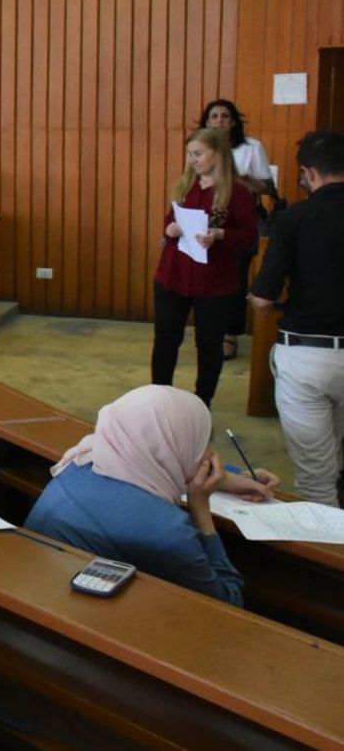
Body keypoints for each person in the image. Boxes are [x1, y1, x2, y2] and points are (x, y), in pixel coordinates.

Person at [26, 385, 278, 604]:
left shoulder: (82, 460)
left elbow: (160, 462)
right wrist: (200, 507)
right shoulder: (167, 531)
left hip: (37, 594)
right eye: (201, 444)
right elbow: (228, 601)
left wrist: (226, 477)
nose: (210, 453)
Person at [250, 130, 344, 507]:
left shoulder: (294, 218)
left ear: (309, 173)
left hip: (307, 355)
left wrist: (277, 310)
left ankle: (328, 557)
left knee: (317, 479)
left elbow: (261, 298)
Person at [151, 127, 257, 407]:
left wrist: (219, 235)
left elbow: (249, 237)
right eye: (189, 154)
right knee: (165, 339)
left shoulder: (238, 193)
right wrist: (171, 228)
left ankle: (202, 403)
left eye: (198, 153)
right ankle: (159, 401)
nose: (192, 159)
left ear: (218, 154)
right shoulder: (185, 186)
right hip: (173, 275)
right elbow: (168, 222)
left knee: (208, 345)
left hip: (214, 281)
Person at [201, 100, 274, 360]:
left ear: (233, 122)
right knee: (207, 275)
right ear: (207, 122)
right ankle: (209, 331)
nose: (219, 120)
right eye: (214, 116)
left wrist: (239, 177)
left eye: (225, 116)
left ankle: (230, 334)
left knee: (235, 278)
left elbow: (266, 188)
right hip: (207, 216)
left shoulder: (251, 147)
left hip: (239, 218)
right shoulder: (201, 147)